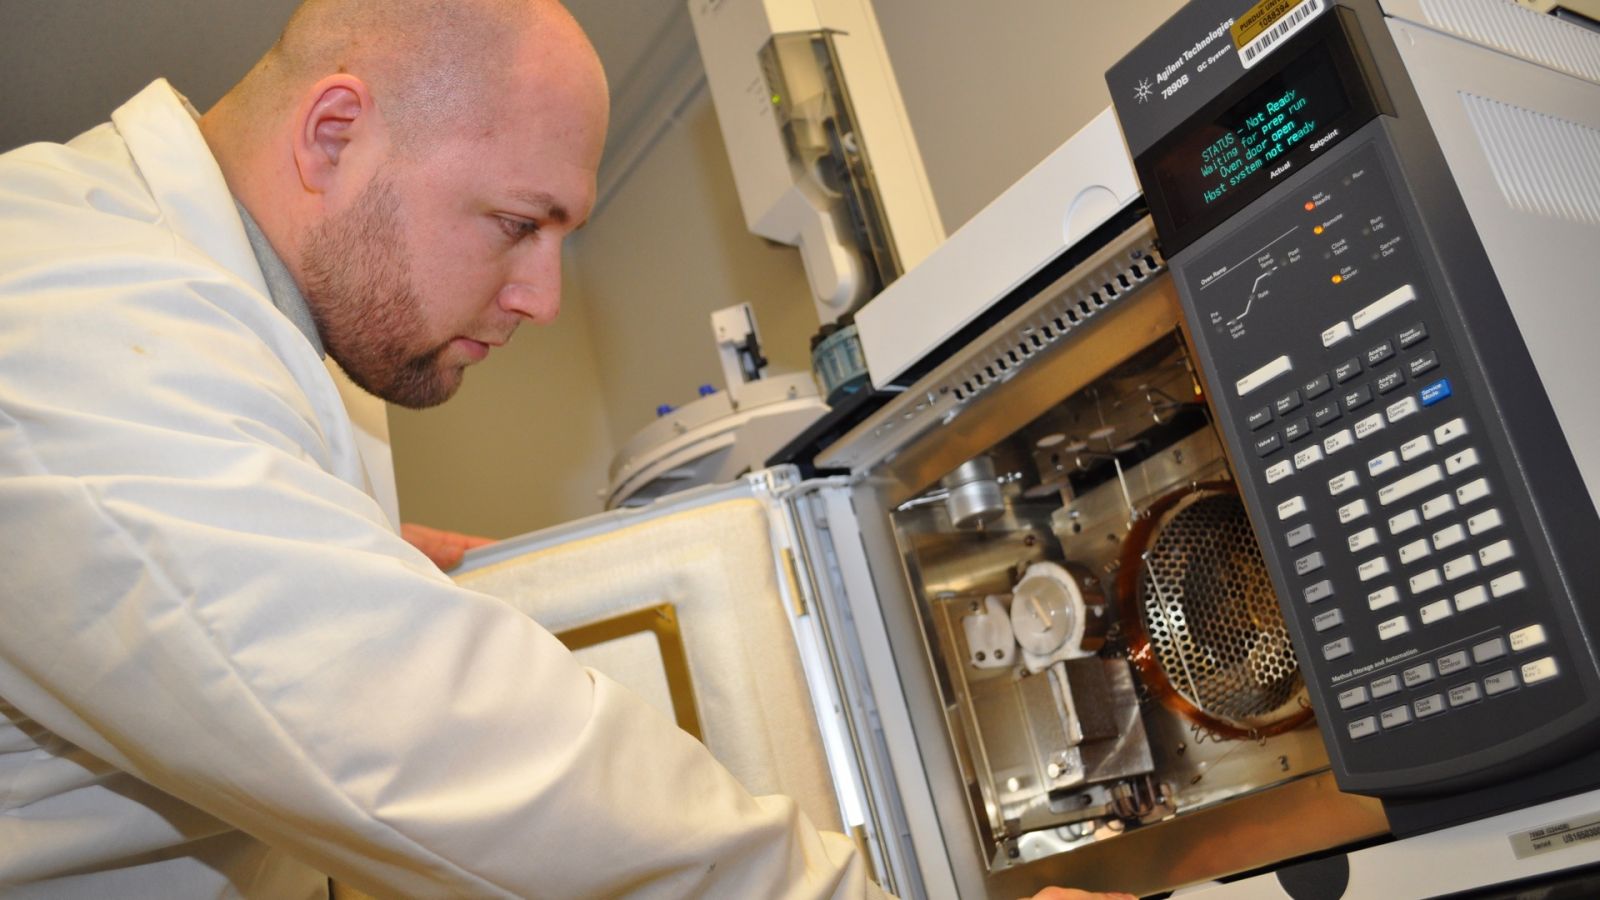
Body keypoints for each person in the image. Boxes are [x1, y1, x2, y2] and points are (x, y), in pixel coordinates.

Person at [0, 1, 1135, 897]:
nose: (541, 297)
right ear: (334, 133)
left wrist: (317, 553)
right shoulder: (61, 309)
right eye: (514, 224)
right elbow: (431, 743)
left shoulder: (219, 327)